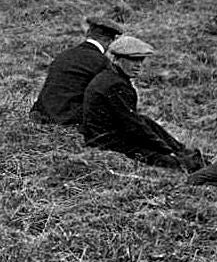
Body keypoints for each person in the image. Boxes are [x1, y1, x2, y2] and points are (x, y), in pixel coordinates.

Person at [81, 36, 206, 171]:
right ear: (118, 59)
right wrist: (163, 148)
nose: (138, 65)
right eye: (133, 60)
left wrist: (166, 146)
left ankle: (182, 151)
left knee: (145, 121)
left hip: (108, 135)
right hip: (107, 142)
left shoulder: (111, 76)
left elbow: (134, 121)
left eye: (141, 60)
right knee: (171, 162)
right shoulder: (116, 85)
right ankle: (189, 161)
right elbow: (131, 124)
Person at [30, 16, 124, 126]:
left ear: (88, 33)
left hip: (41, 115)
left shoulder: (64, 55)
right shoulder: (102, 62)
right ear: (109, 41)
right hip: (68, 120)